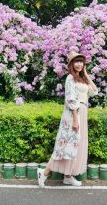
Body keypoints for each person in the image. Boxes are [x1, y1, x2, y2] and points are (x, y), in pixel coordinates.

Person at [37, 51, 98, 187]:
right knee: (66, 145)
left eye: (81, 61)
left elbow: (94, 91)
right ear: (71, 64)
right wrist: (75, 119)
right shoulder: (70, 78)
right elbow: (70, 98)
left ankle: (68, 176)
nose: (79, 64)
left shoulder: (81, 79)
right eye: (76, 61)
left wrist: (86, 74)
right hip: (73, 114)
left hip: (82, 111)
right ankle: (45, 172)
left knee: (75, 145)